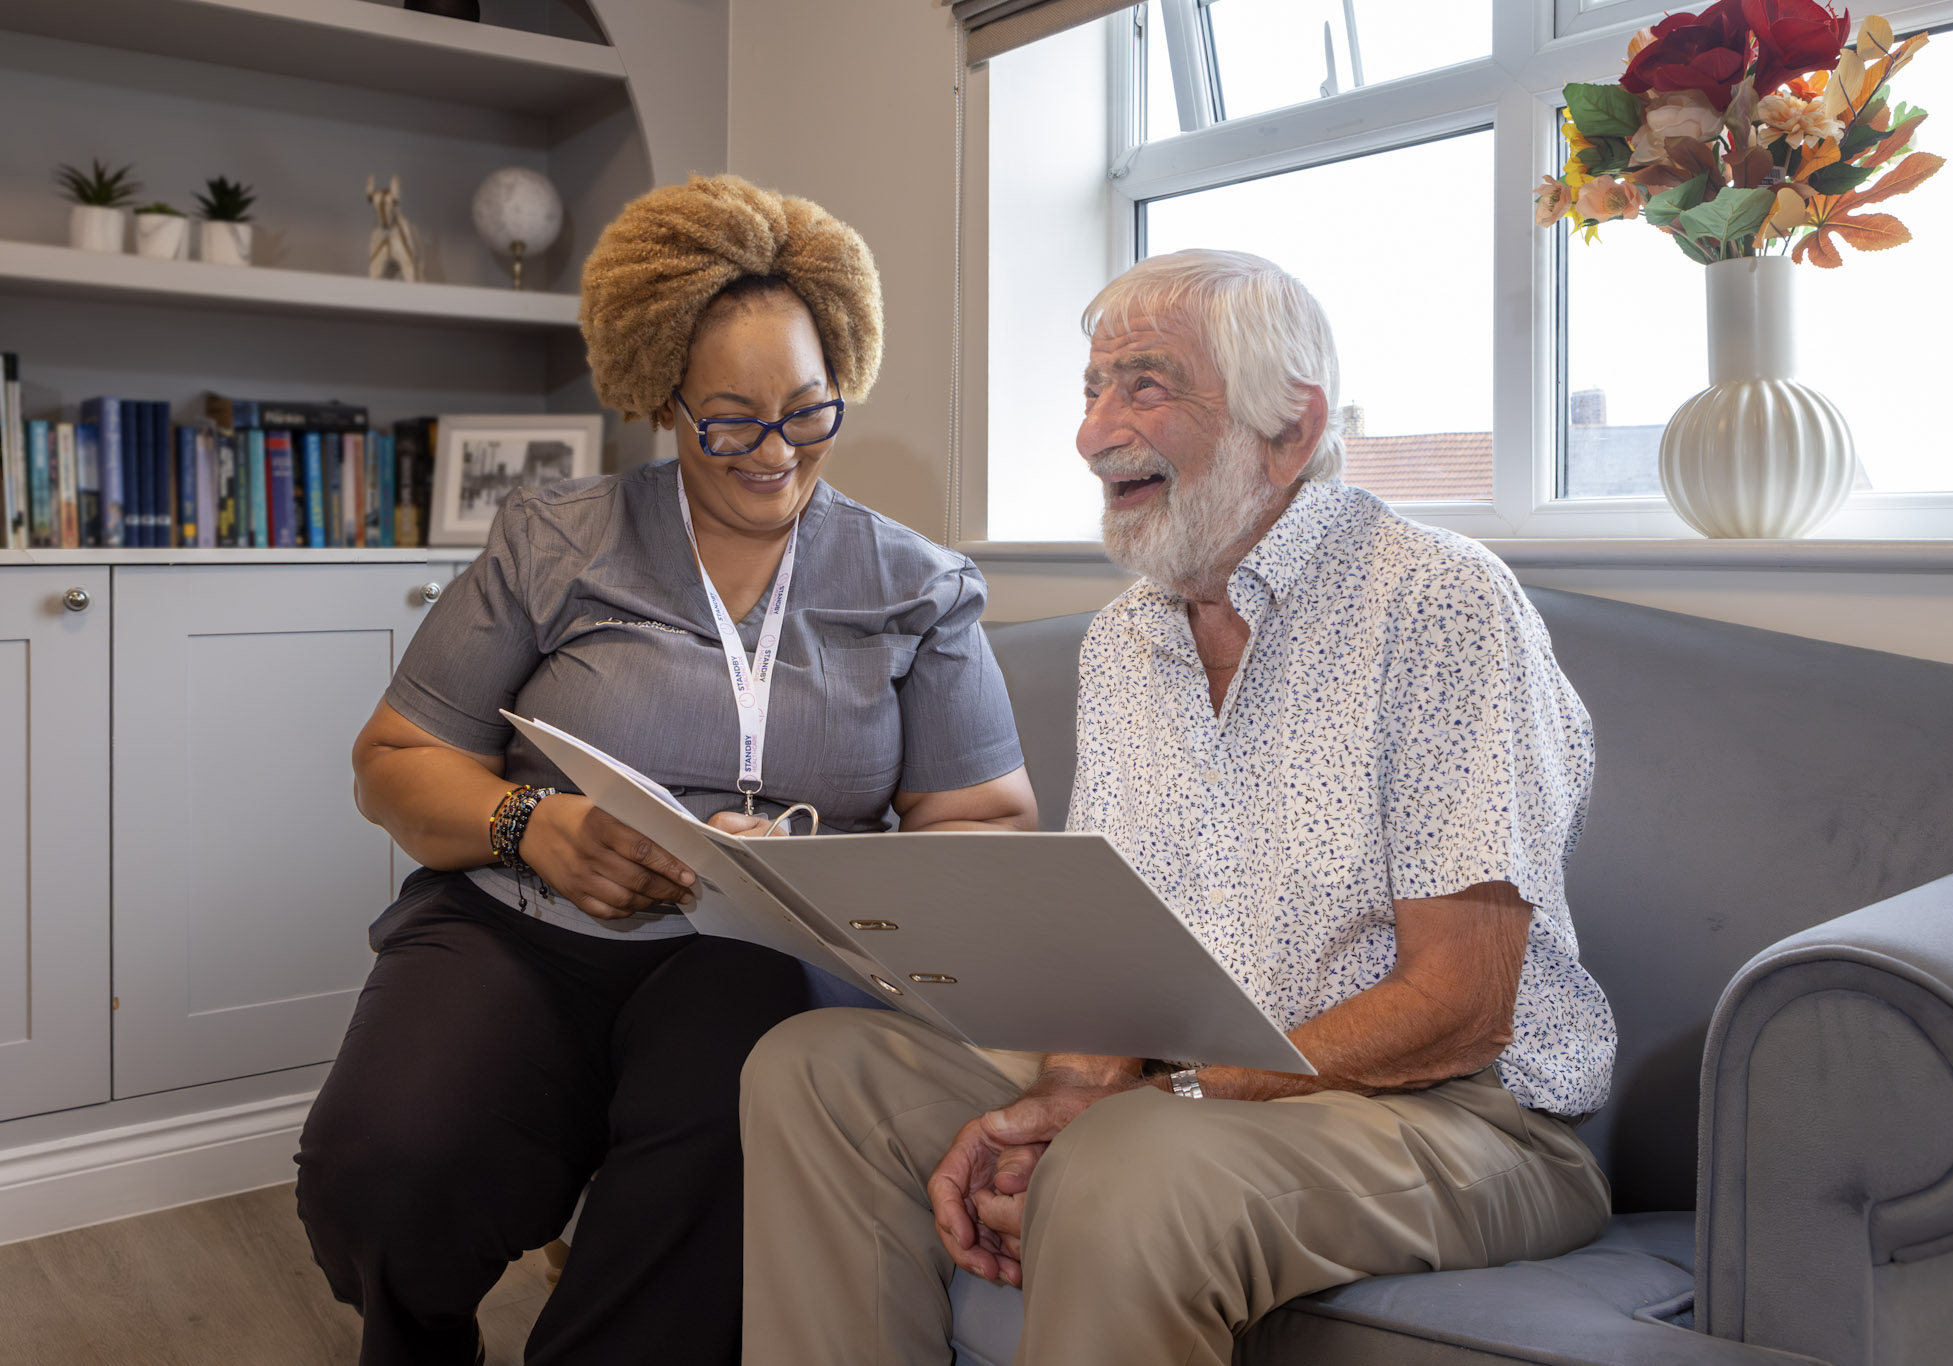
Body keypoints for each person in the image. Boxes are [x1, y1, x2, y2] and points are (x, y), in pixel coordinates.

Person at [738, 249, 1618, 1366]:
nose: (1092, 431)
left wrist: (1173, 1098)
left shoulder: (1440, 602)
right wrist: (1064, 1094)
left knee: (1132, 1157)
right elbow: (1118, 964)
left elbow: (1459, 1003)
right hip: (1193, 1098)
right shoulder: (1128, 639)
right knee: (814, 1071)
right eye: (1090, 390)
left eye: (1143, 385)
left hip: (1460, 1118)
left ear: (1288, 430)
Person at [294, 174, 1036, 1366]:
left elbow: (987, 822)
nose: (773, 454)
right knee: (379, 1166)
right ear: (662, 400)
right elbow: (393, 761)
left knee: (716, 1147)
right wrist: (531, 820)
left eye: (806, 412)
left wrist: (831, 876)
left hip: (751, 953)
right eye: (729, 420)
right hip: (518, 922)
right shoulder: (555, 540)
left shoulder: (918, 584)